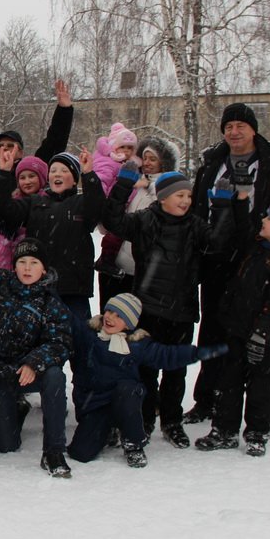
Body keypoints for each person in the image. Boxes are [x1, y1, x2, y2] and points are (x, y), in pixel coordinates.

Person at [102, 164, 244, 448]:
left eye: (188, 196)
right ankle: (143, 420)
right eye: (179, 195)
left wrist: (223, 206)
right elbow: (113, 221)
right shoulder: (145, 221)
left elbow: (217, 242)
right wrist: (123, 185)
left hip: (181, 312)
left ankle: (171, 421)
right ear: (163, 197)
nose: (185, 201)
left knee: (176, 372)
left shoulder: (195, 226)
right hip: (148, 311)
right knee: (145, 371)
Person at [186, 103, 270, 429]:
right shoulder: (213, 163)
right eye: (228, 127)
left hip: (257, 259)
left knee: (258, 336)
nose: (234, 132)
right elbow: (198, 208)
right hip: (215, 256)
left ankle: (266, 412)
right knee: (212, 330)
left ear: (253, 129)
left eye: (240, 125)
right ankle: (207, 399)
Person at [196, 203, 270, 457]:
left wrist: (260, 335)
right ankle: (224, 430)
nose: (264, 219)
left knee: (261, 384)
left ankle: (258, 431)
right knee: (229, 380)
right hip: (237, 329)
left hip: (263, 337)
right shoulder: (258, 248)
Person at [67, 293, 227, 468]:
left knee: (128, 388)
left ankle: (133, 443)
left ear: (129, 323)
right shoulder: (88, 334)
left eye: (119, 315)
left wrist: (197, 353)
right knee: (80, 453)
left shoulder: (137, 344)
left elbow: (168, 355)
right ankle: (108, 431)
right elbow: (66, 317)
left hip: (124, 401)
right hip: (95, 403)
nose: (110, 318)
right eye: (109, 311)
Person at [0, 238, 74, 478]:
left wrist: (33, 362)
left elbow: (60, 343)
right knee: (6, 445)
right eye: (22, 262)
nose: (27, 268)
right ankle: (17, 407)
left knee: (55, 376)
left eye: (34, 262)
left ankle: (53, 451)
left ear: (44, 269)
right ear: (14, 266)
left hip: (27, 372)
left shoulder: (50, 302)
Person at [0, 147, 104, 321]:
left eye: (64, 170)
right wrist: (4, 173)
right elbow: (4, 209)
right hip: (40, 286)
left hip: (73, 290)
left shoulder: (81, 203)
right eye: (53, 170)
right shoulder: (35, 202)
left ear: (74, 180)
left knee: (77, 339)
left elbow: (96, 208)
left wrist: (88, 175)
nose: (57, 174)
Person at [96, 136, 180, 309]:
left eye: (153, 159)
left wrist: (149, 185)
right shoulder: (133, 179)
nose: (147, 162)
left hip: (144, 264)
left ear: (164, 162)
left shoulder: (170, 185)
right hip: (118, 257)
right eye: (145, 157)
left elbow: (165, 209)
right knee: (111, 311)